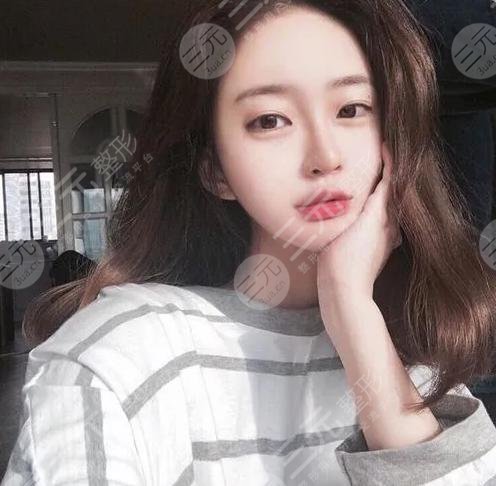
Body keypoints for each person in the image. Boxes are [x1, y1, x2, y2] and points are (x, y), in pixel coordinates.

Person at [3, 0, 496, 484]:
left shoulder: (409, 351)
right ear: (215, 169)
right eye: (270, 120)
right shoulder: (116, 356)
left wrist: (351, 306)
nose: (325, 156)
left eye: (351, 109)